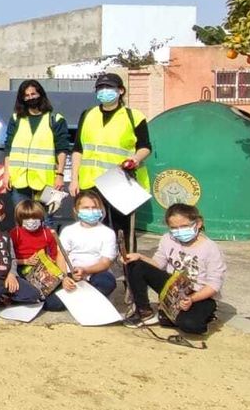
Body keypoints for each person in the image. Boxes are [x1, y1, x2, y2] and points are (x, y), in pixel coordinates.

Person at [72, 72, 151, 248]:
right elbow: (78, 149)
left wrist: (135, 159)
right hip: (90, 181)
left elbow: (145, 146)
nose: (104, 91)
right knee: (92, 227)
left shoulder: (134, 116)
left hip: (120, 179)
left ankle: (127, 269)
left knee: (123, 228)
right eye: (100, 88)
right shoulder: (88, 114)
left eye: (109, 87)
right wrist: (74, 179)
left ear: (121, 91)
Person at [124, 204, 226, 334]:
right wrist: (139, 257)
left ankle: (200, 315)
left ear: (198, 223)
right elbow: (158, 263)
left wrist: (192, 299)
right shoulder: (167, 239)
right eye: (174, 228)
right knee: (136, 265)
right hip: (174, 288)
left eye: (184, 226)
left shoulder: (211, 249)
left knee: (191, 326)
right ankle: (145, 312)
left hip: (199, 294)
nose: (179, 231)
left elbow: (214, 284)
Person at [2, 80, 70, 212]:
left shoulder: (55, 119)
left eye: (33, 94)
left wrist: (60, 175)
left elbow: (62, 149)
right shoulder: (16, 119)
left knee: (45, 220)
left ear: (41, 94)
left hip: (45, 182)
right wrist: (6, 173)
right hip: (19, 180)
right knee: (22, 219)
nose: (30, 98)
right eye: (26, 96)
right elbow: (8, 148)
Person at [49, 192, 119, 311]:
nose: (91, 211)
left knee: (107, 282)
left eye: (94, 207)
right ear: (76, 210)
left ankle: (86, 297)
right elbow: (61, 255)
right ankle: (87, 298)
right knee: (52, 304)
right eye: (86, 208)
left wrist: (85, 270)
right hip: (71, 274)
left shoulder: (108, 233)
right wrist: (65, 278)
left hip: (95, 274)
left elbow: (105, 262)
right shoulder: (68, 231)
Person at [9, 198, 65, 310]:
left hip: (42, 270)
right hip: (21, 268)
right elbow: (8, 257)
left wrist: (50, 263)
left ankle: (41, 298)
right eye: (27, 218)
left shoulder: (47, 233)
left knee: (56, 305)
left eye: (35, 217)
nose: (31, 221)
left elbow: (55, 255)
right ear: (20, 219)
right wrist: (25, 261)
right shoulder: (15, 233)